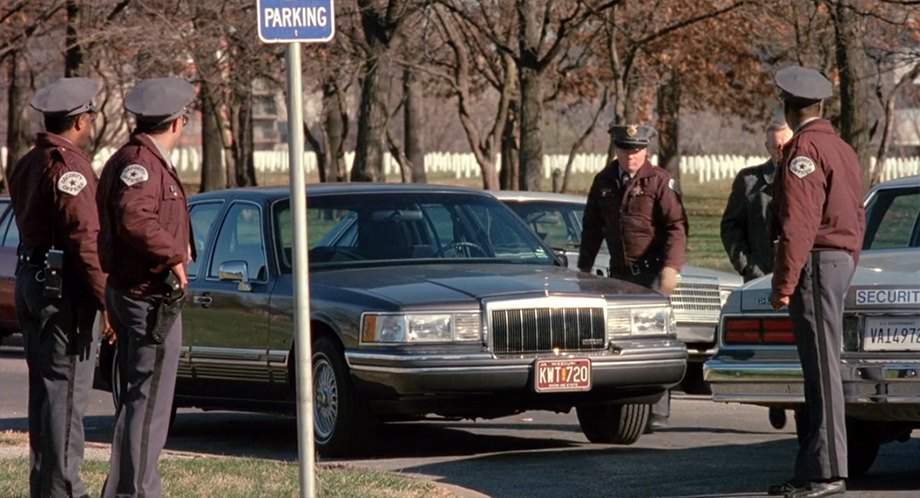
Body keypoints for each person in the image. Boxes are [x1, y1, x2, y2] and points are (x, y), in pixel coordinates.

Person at [9, 77, 112, 498]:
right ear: (81, 121)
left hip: (33, 285)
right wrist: (109, 302)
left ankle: (45, 488)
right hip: (62, 294)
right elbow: (85, 240)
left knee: (46, 397)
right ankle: (64, 490)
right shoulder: (69, 168)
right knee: (66, 401)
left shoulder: (28, 161)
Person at [767, 66, 865, 498]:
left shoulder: (804, 149)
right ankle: (813, 468)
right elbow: (857, 215)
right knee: (818, 372)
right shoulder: (842, 148)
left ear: (788, 106)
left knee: (822, 374)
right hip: (837, 261)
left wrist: (784, 283)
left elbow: (799, 226)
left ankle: (826, 473)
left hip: (818, 264)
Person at [98, 77, 195, 498]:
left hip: (139, 294)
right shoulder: (140, 166)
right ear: (178, 123)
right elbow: (134, 218)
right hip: (147, 297)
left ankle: (124, 488)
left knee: (142, 400)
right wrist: (173, 254)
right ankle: (135, 491)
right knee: (149, 403)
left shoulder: (136, 160)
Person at [578, 124, 688, 432]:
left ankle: (658, 411)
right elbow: (591, 229)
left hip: (653, 275)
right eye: (626, 150)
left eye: (637, 150)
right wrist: (583, 271)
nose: (631, 156)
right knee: (622, 342)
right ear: (616, 150)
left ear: (646, 151)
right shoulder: (604, 182)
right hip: (620, 275)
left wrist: (672, 268)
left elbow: (677, 227)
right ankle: (625, 409)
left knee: (654, 340)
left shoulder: (660, 182)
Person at [721, 120, 793, 430]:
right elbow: (731, 227)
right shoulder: (749, 181)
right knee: (772, 346)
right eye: (773, 145)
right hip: (761, 276)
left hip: (799, 278)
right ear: (766, 146)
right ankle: (778, 399)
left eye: (784, 145)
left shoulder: (806, 177)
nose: (779, 151)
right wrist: (748, 268)